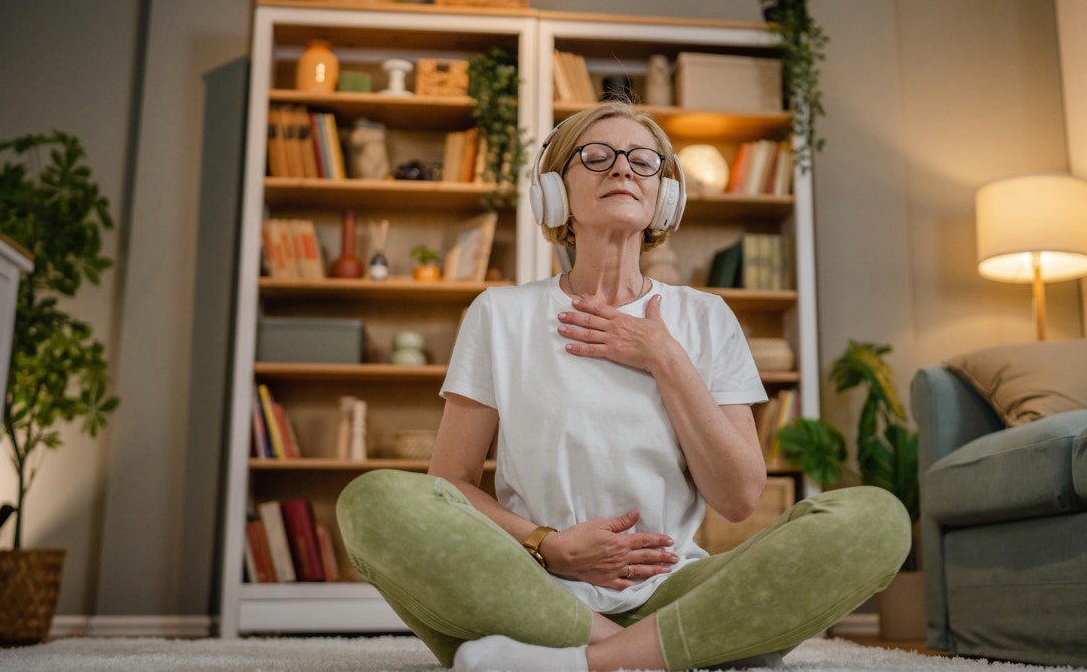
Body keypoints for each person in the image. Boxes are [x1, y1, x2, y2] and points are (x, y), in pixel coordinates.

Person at [336, 101, 911, 672]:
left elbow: (737, 499)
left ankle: (580, 664)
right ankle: (673, 654)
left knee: (877, 520)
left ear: (665, 195)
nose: (623, 169)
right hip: (531, 591)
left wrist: (665, 357)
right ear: (555, 193)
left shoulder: (707, 319)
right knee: (373, 501)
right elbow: (452, 482)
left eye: (643, 160)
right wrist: (548, 544)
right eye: (598, 156)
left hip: (676, 594)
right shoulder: (500, 314)